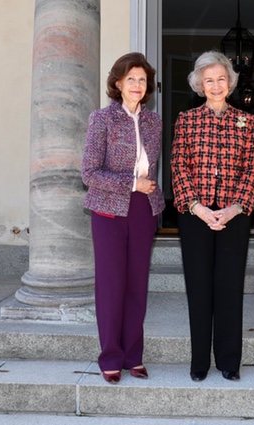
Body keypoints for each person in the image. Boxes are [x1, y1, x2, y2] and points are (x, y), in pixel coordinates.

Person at [171, 51, 254, 382]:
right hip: (196, 216)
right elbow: (178, 166)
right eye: (209, 80)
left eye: (222, 79)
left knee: (229, 288)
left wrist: (234, 208)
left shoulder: (248, 122)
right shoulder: (186, 119)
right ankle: (199, 362)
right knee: (199, 289)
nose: (216, 85)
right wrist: (199, 208)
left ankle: (229, 361)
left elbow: (253, 168)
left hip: (234, 217)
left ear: (231, 82)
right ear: (199, 85)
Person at [81, 52, 164, 384]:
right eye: (131, 79)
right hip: (109, 210)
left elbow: (152, 165)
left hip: (144, 208)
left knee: (136, 285)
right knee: (112, 284)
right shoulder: (101, 119)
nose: (137, 85)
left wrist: (143, 188)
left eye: (142, 80)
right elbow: (88, 172)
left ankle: (134, 356)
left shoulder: (154, 121)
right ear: (117, 83)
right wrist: (130, 183)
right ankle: (110, 356)